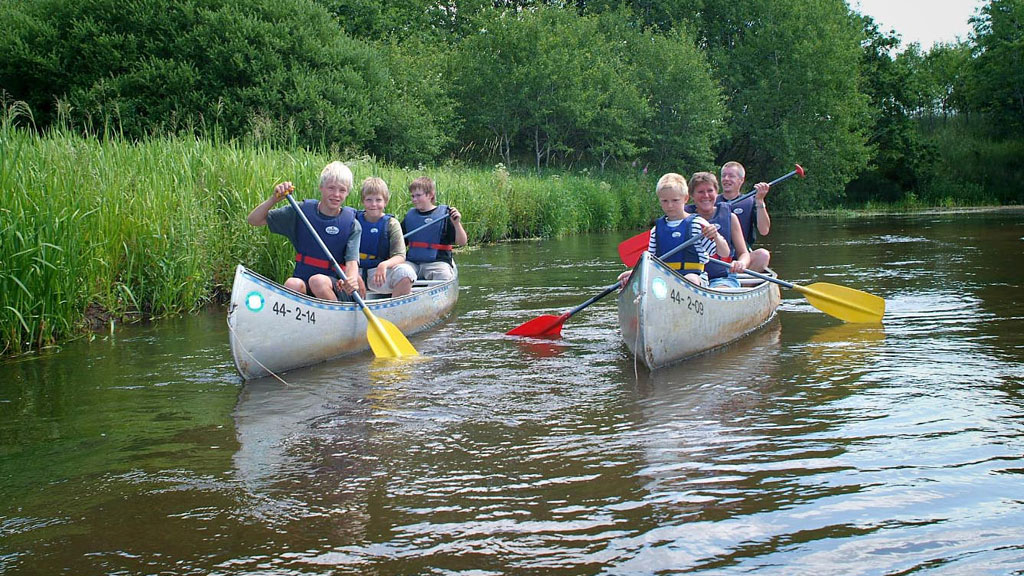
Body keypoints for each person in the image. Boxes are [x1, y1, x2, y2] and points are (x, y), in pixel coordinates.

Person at [246, 161, 360, 301]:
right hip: (305, 281)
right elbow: (253, 220)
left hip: (336, 287)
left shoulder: (352, 224)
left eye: (342, 190)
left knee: (318, 281)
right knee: (291, 283)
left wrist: (351, 280)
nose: (336, 194)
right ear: (321, 188)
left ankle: (337, 320)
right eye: (331, 188)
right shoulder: (300, 213)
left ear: (347, 192)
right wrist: (274, 199)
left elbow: (352, 263)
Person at [617, 173, 729, 288]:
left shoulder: (698, 224)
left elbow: (724, 253)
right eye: (664, 201)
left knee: (691, 279)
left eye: (675, 200)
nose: (670, 205)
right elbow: (650, 262)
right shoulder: (656, 230)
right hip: (665, 279)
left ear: (685, 199)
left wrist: (716, 236)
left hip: (695, 278)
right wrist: (634, 274)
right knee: (641, 284)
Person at [355, 177, 416, 298]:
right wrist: (354, 275)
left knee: (406, 272)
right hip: (355, 272)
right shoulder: (353, 221)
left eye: (378, 200)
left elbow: (400, 256)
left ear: (385, 202)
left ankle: (394, 309)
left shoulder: (392, 224)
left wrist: (384, 265)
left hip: (378, 275)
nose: (373, 204)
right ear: (363, 201)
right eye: (369, 200)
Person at [690, 171, 751, 288]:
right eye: (700, 192)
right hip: (693, 276)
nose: (706, 196)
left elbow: (744, 253)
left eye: (710, 191)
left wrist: (741, 263)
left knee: (720, 289)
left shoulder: (731, 218)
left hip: (722, 277)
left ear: (717, 193)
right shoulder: (685, 218)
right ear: (692, 195)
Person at [401, 176, 467, 281]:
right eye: (412, 196)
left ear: (430, 195)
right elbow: (399, 243)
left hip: (438, 263)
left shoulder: (445, 215)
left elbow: (462, 242)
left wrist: (457, 224)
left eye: (418, 195)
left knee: (443, 275)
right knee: (399, 272)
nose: (414, 199)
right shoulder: (410, 217)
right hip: (412, 263)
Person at [720, 161, 772, 272]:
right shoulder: (711, 201)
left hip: (742, 257)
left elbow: (764, 230)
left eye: (731, 176)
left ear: (741, 180)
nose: (726, 179)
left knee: (763, 255)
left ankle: (742, 285)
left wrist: (760, 200)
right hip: (717, 255)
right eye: (723, 175)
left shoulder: (751, 202)